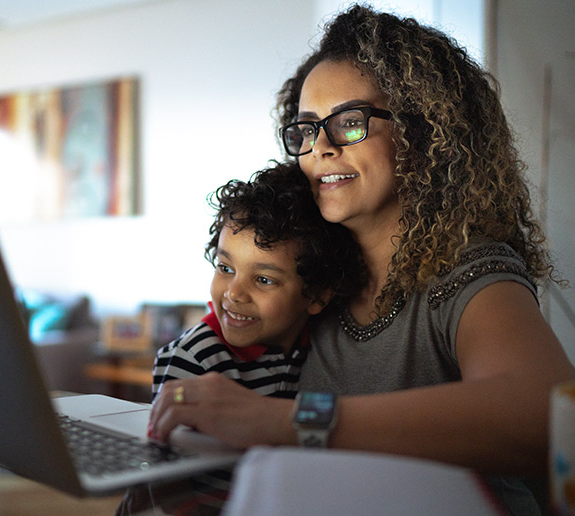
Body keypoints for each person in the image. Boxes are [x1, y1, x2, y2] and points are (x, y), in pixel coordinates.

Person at [148, 4, 575, 515]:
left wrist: (290, 422)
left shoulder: (470, 273)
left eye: (350, 122)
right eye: (306, 129)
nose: (320, 148)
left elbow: (542, 413)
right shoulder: (315, 278)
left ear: (422, 135)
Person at [152, 161, 362, 401]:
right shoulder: (194, 358)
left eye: (263, 279)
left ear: (317, 296)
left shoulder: (321, 345)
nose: (234, 293)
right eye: (225, 268)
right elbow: (170, 435)